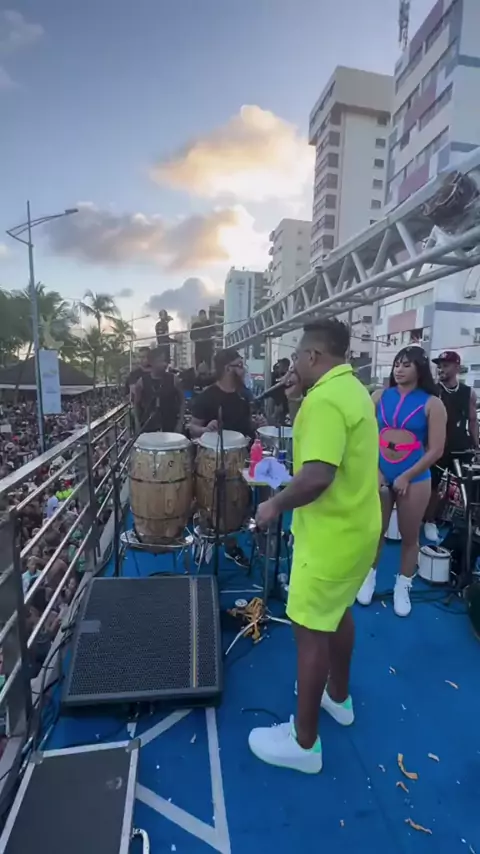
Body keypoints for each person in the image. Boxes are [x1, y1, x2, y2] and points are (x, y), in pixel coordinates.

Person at [248, 319, 381, 774]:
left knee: (308, 631)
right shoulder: (352, 389)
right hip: (357, 530)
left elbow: (319, 475)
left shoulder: (324, 400)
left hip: (329, 538)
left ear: (313, 356)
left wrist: (273, 505)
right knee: (337, 612)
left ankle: (304, 744)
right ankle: (338, 698)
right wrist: (293, 402)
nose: (294, 364)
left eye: (298, 356)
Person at [356, 346, 447, 617]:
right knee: (375, 531)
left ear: (420, 369)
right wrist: (376, 470)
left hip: (415, 477)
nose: (399, 369)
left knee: (409, 536)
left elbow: (436, 449)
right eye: (397, 363)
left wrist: (407, 475)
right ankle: (368, 576)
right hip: (381, 473)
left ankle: (403, 585)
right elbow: (365, 436)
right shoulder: (379, 396)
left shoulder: (433, 404)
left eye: (407, 364)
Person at [189, 348, 262, 567]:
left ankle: (231, 545)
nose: (243, 369)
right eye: (239, 365)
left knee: (237, 502)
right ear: (227, 368)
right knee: (210, 502)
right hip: (212, 460)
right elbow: (192, 428)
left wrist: (257, 424)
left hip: (241, 457)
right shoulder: (207, 396)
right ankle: (206, 539)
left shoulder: (244, 395)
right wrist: (205, 430)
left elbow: (247, 424)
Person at [424, 350, 479, 542]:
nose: (441, 369)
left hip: (461, 444)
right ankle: (429, 521)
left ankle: (470, 523)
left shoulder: (468, 392)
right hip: (436, 445)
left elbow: (473, 421)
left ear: (457, 367)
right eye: (439, 366)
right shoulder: (432, 392)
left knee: (470, 484)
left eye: (445, 365)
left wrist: (477, 446)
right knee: (433, 485)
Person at [133, 347, 184, 434]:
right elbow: (136, 405)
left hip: (170, 425)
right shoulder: (141, 382)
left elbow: (182, 401)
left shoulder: (174, 380)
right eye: (161, 361)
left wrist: (180, 423)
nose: (165, 364)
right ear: (152, 362)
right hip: (148, 426)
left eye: (165, 361)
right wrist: (137, 424)